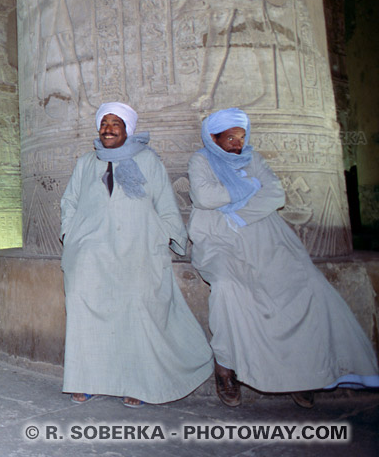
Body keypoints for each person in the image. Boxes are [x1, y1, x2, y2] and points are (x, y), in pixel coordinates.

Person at [187, 108, 379, 408]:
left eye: (241, 137)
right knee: (227, 288)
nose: (238, 144)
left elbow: (276, 194)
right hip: (217, 240)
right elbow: (204, 198)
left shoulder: (255, 159)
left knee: (306, 286)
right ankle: (225, 367)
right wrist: (250, 187)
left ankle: (301, 373)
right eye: (230, 138)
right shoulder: (201, 160)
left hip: (266, 238)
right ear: (213, 138)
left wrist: (238, 213)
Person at [60, 102, 213, 407]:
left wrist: (165, 236)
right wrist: (69, 233)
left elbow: (165, 203)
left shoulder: (147, 160)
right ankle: (88, 380)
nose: (108, 129)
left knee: (137, 310)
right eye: (104, 123)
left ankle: (139, 383)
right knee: (83, 306)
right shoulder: (87, 163)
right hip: (91, 250)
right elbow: (70, 201)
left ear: (128, 129)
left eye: (116, 123)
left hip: (138, 248)